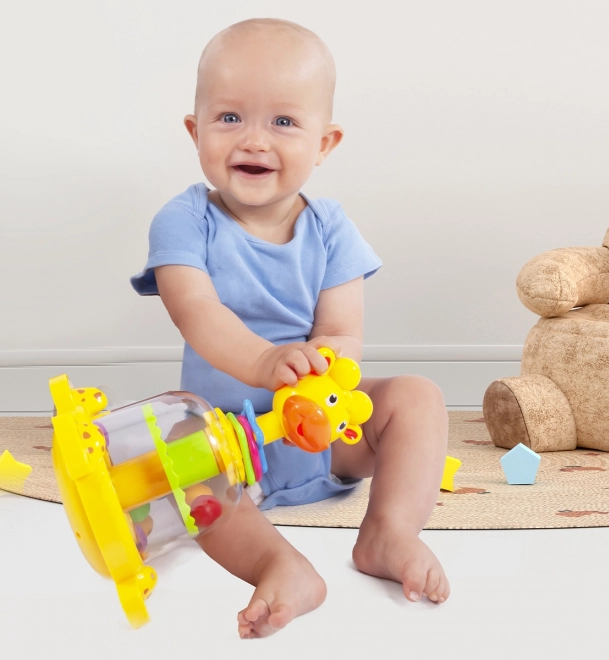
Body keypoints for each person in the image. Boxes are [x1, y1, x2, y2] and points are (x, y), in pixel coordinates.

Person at [131, 17, 449, 639]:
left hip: (320, 437)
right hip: (225, 447)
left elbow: (341, 330)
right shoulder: (184, 220)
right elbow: (195, 311)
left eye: (282, 121)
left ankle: (388, 534)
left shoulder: (331, 227)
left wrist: (324, 364)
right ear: (195, 131)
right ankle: (280, 564)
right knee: (169, 463)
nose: (254, 140)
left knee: (417, 396)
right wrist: (263, 364)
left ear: (325, 142)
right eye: (229, 119)